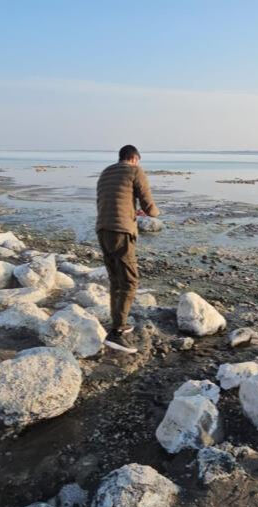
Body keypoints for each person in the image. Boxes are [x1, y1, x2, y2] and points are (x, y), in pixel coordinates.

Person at [95, 144, 160, 353]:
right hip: (121, 232)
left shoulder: (106, 172)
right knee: (130, 281)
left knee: (116, 279)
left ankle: (118, 323)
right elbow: (149, 205)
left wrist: (132, 211)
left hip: (103, 229)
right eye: (138, 161)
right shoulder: (135, 171)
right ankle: (116, 332)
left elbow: (108, 201)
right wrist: (153, 213)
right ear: (134, 158)